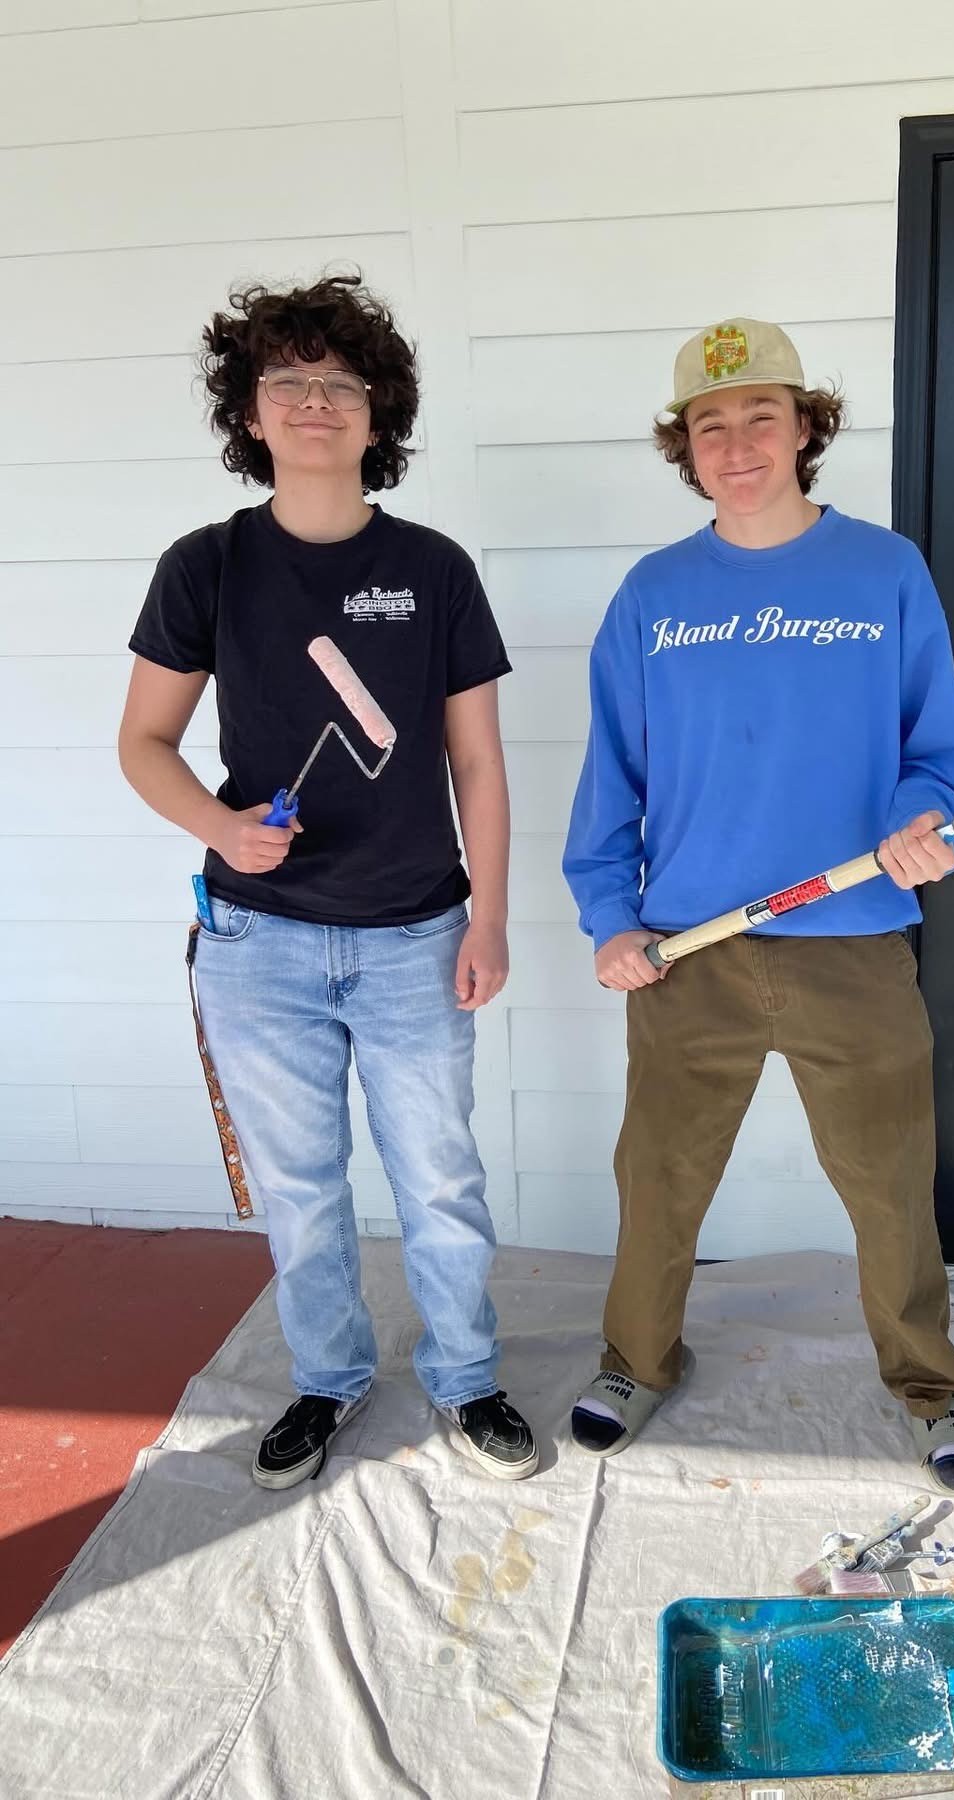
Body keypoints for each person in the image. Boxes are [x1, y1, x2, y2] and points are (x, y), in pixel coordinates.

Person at [561, 317, 954, 1493]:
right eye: (711, 425)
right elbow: (613, 775)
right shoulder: (654, 594)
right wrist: (610, 916)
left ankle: (931, 1386)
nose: (739, 443)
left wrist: (925, 823)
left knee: (890, 1184)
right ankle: (636, 1362)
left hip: (854, 943)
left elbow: (936, 756)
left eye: (763, 415)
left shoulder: (885, 572)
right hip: (690, 948)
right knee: (659, 1178)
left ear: (806, 427)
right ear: (685, 447)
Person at [118, 274, 536, 1486]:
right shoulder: (205, 567)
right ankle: (329, 1379)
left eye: (340, 383)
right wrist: (221, 825)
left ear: (376, 411)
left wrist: (490, 918)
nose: (315, 401)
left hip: (418, 938)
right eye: (289, 381)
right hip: (260, 945)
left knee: (440, 1180)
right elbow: (143, 743)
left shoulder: (434, 569)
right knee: (302, 1192)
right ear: (250, 411)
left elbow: (475, 761)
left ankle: (466, 1377)